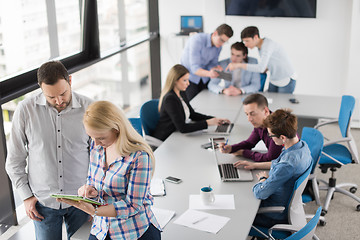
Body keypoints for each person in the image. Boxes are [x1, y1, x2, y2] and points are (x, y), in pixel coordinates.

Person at [5, 61, 93, 240]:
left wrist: (96, 198)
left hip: (82, 201)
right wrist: (26, 196)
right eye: (51, 97)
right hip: (43, 203)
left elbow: (100, 156)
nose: (59, 101)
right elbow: (14, 160)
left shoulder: (90, 108)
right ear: (41, 89)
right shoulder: (25, 110)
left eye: (63, 94)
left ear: (69, 80)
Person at [57, 101, 161, 240]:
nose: (96, 142)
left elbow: (133, 205)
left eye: (101, 137)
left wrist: (95, 211)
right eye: (91, 137)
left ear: (116, 129)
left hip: (132, 231)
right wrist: (89, 190)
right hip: (102, 229)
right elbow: (92, 179)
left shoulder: (139, 157)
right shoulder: (97, 147)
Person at [235, 109, 312, 228]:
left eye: (271, 135)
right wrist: (255, 165)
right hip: (288, 203)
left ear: (282, 137)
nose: (270, 138)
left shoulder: (288, 164)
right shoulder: (301, 147)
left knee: (237, 209)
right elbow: (278, 163)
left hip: (273, 215)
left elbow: (261, 193)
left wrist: (262, 180)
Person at [152, 64, 230, 141]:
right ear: (175, 81)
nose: (188, 83)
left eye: (188, 80)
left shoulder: (181, 92)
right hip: (167, 138)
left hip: (176, 135)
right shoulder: (170, 99)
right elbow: (183, 128)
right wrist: (207, 123)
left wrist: (214, 119)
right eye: (185, 80)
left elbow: (192, 115)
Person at [226, 26, 297, 93]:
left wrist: (238, 65)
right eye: (244, 42)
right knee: (272, 101)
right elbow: (271, 61)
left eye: (247, 41)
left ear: (256, 37)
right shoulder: (260, 46)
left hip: (285, 79)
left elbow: (261, 68)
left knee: (282, 104)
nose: (245, 45)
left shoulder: (267, 46)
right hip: (274, 79)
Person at [220, 93, 282, 162]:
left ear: (266, 111)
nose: (249, 119)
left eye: (252, 114)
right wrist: (231, 148)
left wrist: (243, 153)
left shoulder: (276, 128)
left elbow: (270, 158)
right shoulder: (260, 123)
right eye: (247, 114)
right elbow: (250, 143)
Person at [181, 23, 233, 100]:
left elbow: (212, 63)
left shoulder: (218, 47)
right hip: (189, 78)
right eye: (221, 40)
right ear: (215, 33)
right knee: (192, 104)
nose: (222, 44)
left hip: (204, 78)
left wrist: (215, 68)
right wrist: (210, 73)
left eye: (224, 42)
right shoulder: (197, 40)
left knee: (206, 102)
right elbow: (194, 68)